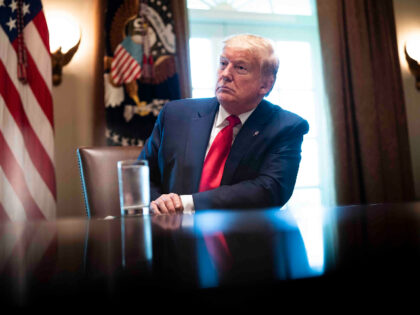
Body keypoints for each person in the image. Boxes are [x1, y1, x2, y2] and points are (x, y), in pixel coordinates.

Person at [139, 34, 309, 215]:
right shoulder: (175, 114)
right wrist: (161, 204)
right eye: (223, 63)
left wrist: (188, 203)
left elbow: (270, 189)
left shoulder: (286, 126)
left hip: (243, 236)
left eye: (240, 67)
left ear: (265, 85)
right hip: (171, 234)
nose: (226, 74)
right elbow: (141, 175)